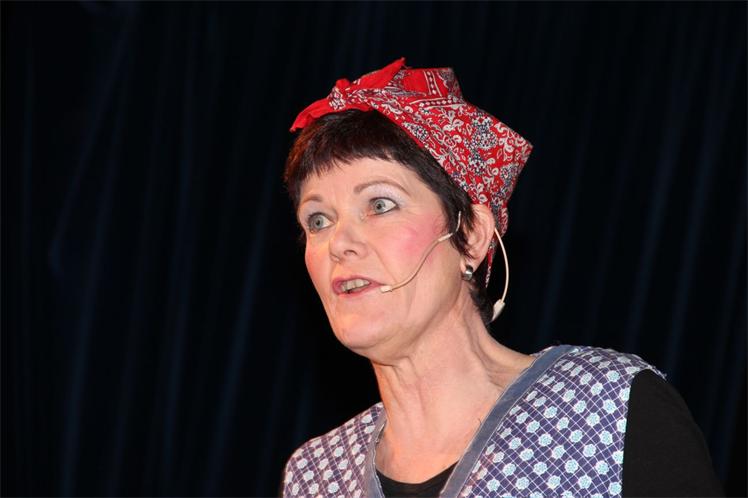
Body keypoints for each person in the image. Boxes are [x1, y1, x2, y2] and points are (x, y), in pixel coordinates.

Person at [280, 58, 722, 497]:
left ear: (471, 235)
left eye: (380, 205)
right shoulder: (314, 477)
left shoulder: (607, 406)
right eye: (318, 220)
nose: (338, 242)